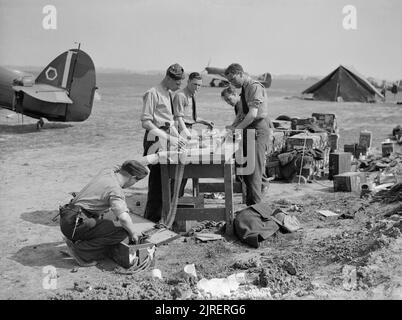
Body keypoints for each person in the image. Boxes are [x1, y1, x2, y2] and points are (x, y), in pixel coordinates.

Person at [59, 158, 156, 267]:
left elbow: (128, 163)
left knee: (105, 221)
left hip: (67, 218)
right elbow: (124, 218)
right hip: (75, 225)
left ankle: (75, 240)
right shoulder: (115, 191)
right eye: (136, 180)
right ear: (132, 177)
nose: (133, 184)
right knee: (121, 232)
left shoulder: (108, 171)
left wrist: (158, 156)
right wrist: (133, 233)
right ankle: (81, 252)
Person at [141, 63, 187, 223]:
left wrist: (179, 138)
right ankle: (151, 220)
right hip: (154, 138)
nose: (178, 86)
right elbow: (146, 122)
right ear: (168, 77)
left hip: (166, 137)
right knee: (156, 182)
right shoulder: (153, 93)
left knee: (167, 179)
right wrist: (169, 138)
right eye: (177, 83)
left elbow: (170, 122)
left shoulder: (168, 94)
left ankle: (162, 217)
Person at [224, 63, 271, 206]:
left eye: (233, 79)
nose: (231, 83)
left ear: (240, 73)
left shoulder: (254, 86)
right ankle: (251, 206)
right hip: (249, 130)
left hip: (257, 130)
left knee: (255, 171)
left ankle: (256, 208)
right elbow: (242, 113)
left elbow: (252, 115)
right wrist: (233, 126)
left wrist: (237, 129)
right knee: (248, 171)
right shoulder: (244, 88)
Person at [173, 72, 213, 138]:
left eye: (199, 85)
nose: (197, 87)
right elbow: (178, 118)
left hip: (187, 128)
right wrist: (187, 134)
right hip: (179, 130)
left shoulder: (192, 95)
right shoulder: (180, 96)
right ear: (188, 82)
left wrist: (205, 122)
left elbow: (189, 117)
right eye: (195, 84)